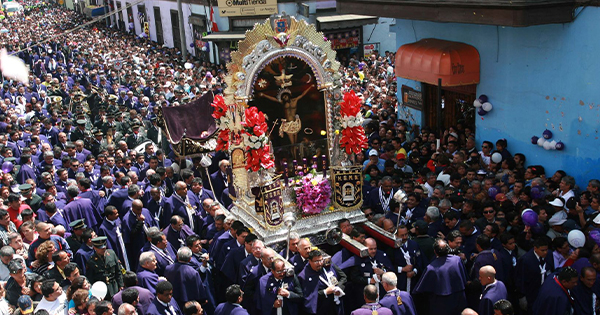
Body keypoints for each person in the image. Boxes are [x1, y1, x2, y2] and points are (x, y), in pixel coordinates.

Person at [413, 239, 468, 315]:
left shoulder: (431, 268)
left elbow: (422, 289)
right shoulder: (457, 260)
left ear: (435, 252)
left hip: (441, 303)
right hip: (457, 298)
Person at [298, 249, 347, 315]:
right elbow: (308, 295)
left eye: (321, 260)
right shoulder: (304, 276)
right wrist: (325, 292)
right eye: (316, 261)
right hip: (321, 308)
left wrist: (338, 288)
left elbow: (343, 277)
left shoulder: (328, 265)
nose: (320, 263)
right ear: (310, 261)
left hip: (336, 303)